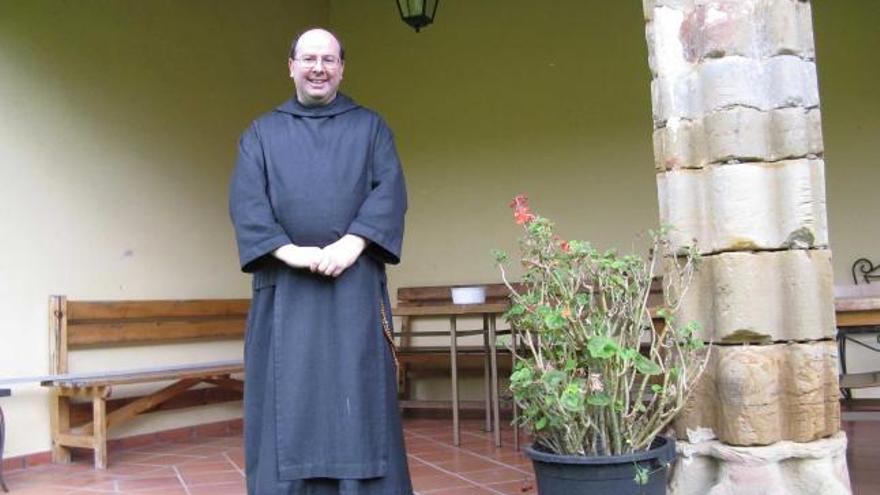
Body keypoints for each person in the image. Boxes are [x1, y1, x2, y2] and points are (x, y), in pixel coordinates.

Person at [229, 28, 412, 495]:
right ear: (290, 65)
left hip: (354, 289)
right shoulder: (260, 134)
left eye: (328, 60)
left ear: (342, 68)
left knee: (358, 401)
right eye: (308, 59)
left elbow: (389, 192)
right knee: (287, 404)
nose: (318, 68)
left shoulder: (371, 128)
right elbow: (247, 203)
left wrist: (352, 244)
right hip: (284, 291)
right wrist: (292, 253)